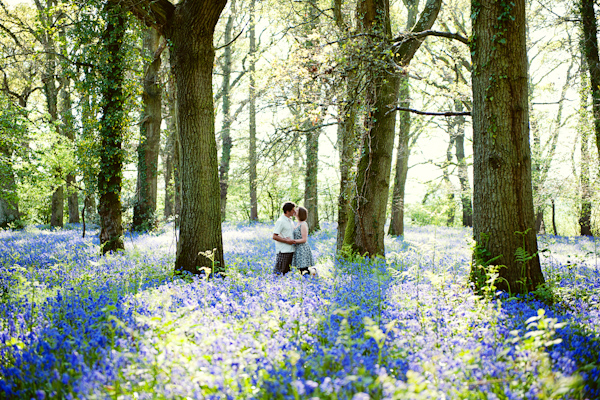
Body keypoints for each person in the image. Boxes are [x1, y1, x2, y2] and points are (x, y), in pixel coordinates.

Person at [272, 201, 297, 274]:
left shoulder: (290, 221)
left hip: (291, 250)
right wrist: (286, 241)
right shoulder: (281, 221)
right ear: (287, 211)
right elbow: (274, 236)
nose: (294, 211)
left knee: (287, 273)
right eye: (293, 210)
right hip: (283, 251)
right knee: (279, 272)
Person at [291, 206, 316, 276]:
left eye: (297, 210)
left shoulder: (303, 224)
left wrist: (293, 241)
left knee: (303, 268)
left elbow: (304, 239)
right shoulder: (297, 223)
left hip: (302, 249)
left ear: (300, 213)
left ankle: (311, 275)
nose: (295, 211)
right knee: (299, 269)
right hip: (298, 248)